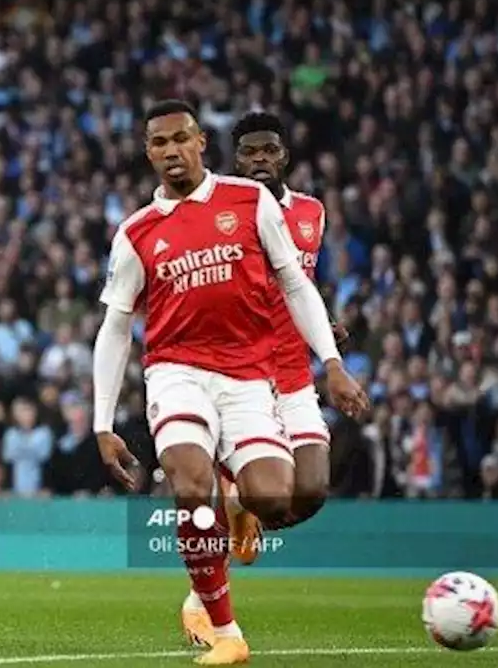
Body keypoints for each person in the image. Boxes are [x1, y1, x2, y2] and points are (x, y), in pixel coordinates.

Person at [91, 101, 368, 665]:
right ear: (149, 153)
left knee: (282, 497)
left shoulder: (251, 202)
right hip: (177, 374)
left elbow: (294, 283)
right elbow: (115, 327)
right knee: (191, 486)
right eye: (159, 143)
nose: (171, 151)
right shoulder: (136, 233)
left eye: (181, 139)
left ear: (201, 144)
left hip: (250, 376)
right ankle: (226, 631)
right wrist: (101, 422)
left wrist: (332, 362)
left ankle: (241, 505)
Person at [180, 111, 345, 647]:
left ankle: (237, 509)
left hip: (295, 370)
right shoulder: (222, 209)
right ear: (234, 158)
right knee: (263, 487)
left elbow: (303, 284)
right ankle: (205, 596)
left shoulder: (312, 214)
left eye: (269, 151)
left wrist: (324, 333)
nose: (260, 161)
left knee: (312, 490)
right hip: (243, 371)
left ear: (285, 156)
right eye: (249, 152)